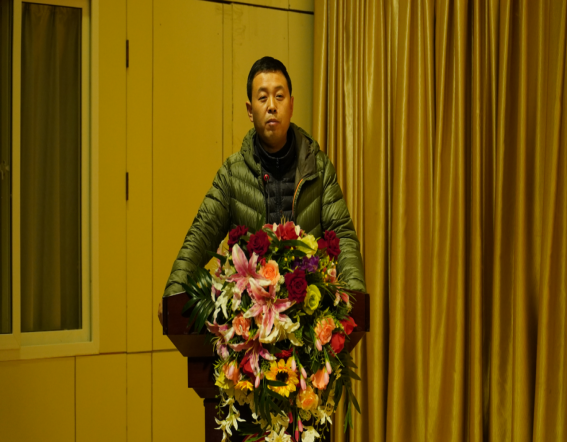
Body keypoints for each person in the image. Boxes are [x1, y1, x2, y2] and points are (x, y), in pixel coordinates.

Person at [158, 56, 365, 324]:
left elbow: (343, 234)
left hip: (308, 320)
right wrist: (174, 294)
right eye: (263, 98)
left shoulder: (318, 168)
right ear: (249, 109)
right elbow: (201, 233)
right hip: (249, 322)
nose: (271, 106)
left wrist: (355, 299)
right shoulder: (232, 174)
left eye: (279, 96)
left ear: (291, 104)